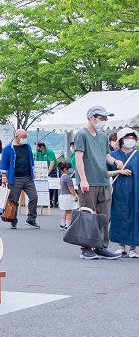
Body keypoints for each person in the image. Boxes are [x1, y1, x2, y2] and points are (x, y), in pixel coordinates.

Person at [74, 106, 125, 260]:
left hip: (103, 180)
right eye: (101, 118)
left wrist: (115, 161)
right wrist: (83, 179)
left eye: (105, 118)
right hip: (88, 181)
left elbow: (106, 156)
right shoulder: (81, 135)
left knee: (104, 216)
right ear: (92, 118)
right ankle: (86, 248)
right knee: (88, 215)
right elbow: (78, 158)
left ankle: (101, 246)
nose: (103, 121)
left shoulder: (103, 136)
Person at [0, 129, 40, 229]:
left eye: (25, 137)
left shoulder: (27, 146)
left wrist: (33, 171)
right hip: (15, 178)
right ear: (16, 137)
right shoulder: (8, 149)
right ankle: (13, 220)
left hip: (27, 176)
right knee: (14, 200)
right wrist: (4, 177)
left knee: (34, 197)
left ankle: (31, 219)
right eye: (23, 138)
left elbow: (30, 159)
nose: (24, 140)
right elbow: (4, 163)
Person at [108, 128, 139, 256]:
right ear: (121, 140)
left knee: (135, 216)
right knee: (118, 216)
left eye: (133, 138)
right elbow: (104, 172)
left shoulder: (137, 155)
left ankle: (133, 248)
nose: (130, 140)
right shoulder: (113, 156)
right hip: (118, 191)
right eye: (128, 138)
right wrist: (118, 171)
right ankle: (121, 247)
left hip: (136, 190)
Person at [59, 161, 77, 229]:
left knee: (66, 211)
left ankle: (62, 224)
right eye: (70, 168)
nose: (71, 169)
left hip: (62, 195)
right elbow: (70, 188)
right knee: (69, 211)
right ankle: (68, 225)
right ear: (65, 169)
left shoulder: (62, 177)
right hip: (68, 196)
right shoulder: (68, 178)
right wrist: (75, 196)